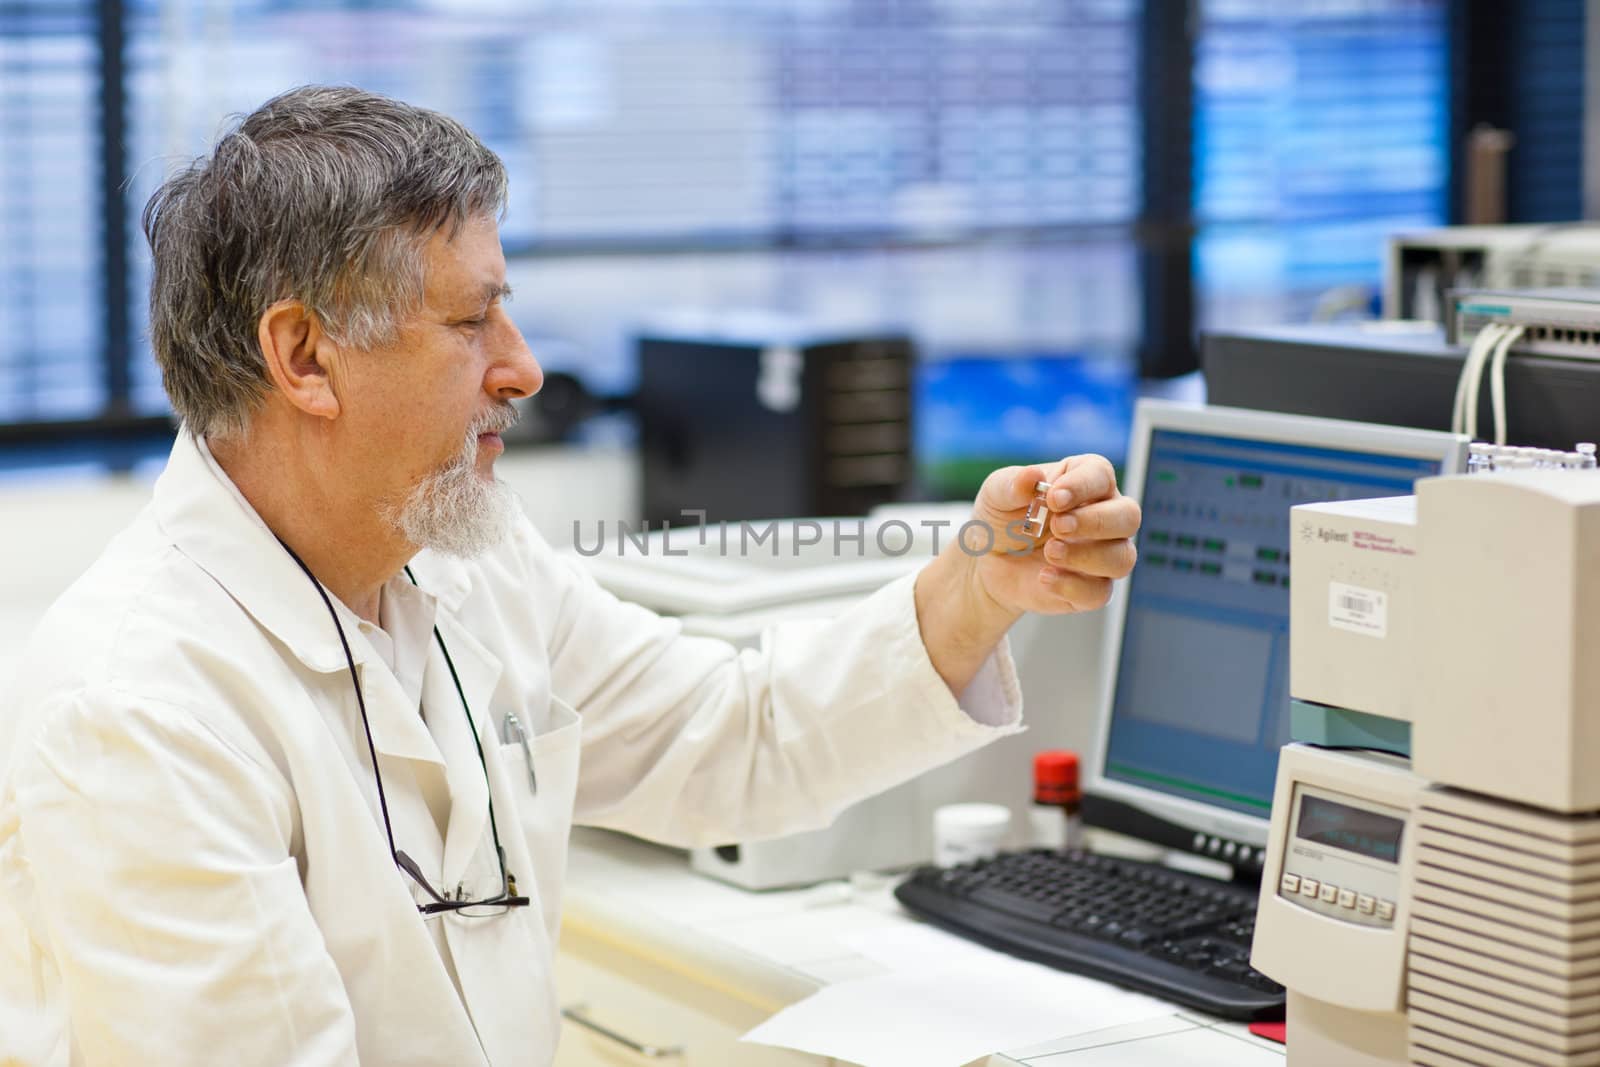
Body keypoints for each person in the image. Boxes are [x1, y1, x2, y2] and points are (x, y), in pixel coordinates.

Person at [0, 86, 1140, 1066]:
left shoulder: (462, 557)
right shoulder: (140, 708)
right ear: (304, 357)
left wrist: (980, 587)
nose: (525, 367)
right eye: (470, 318)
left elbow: (731, 737)